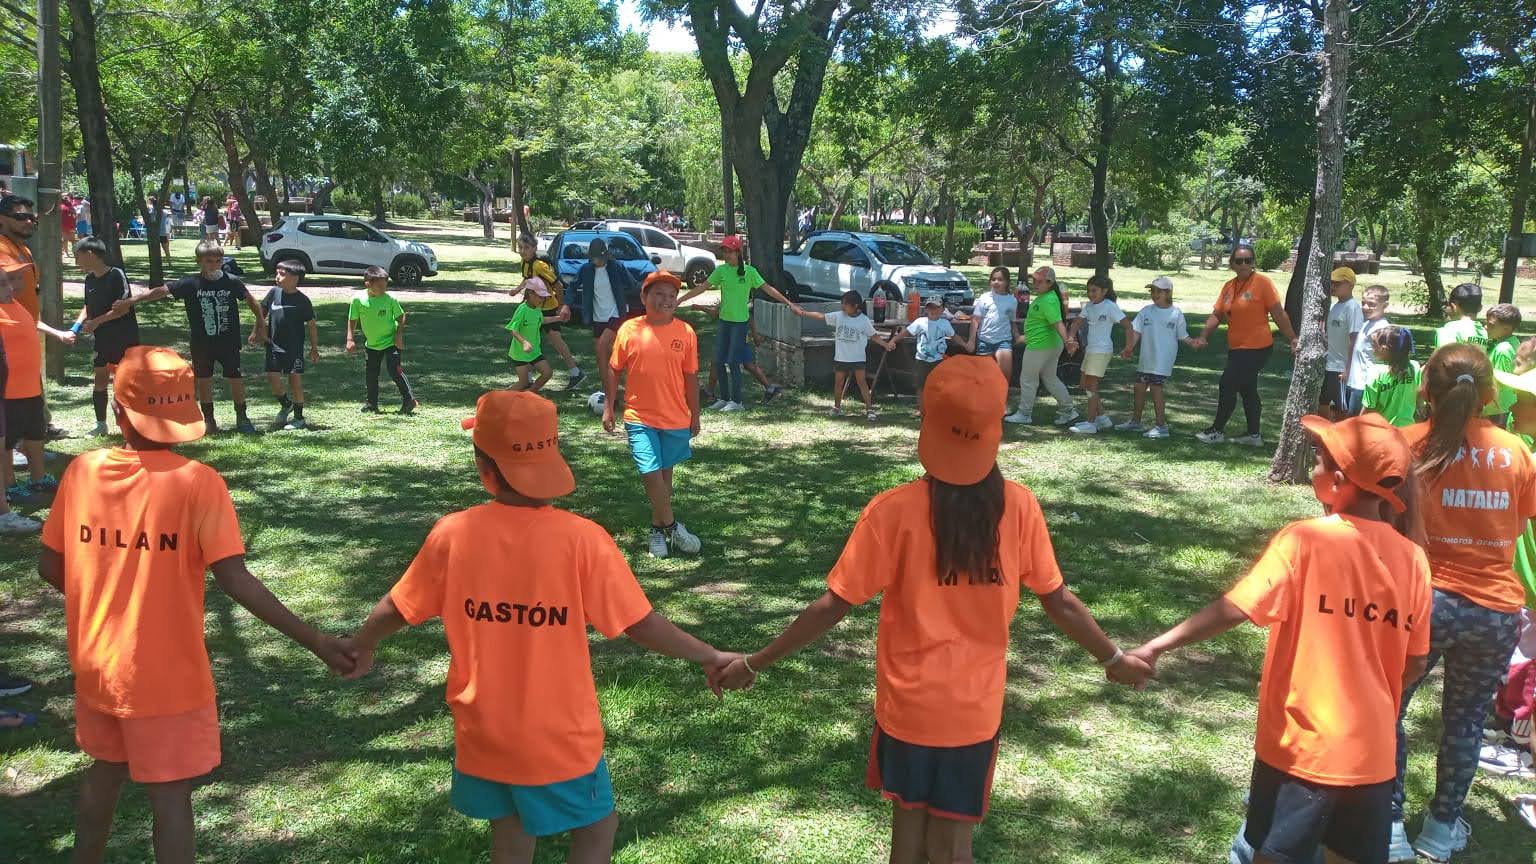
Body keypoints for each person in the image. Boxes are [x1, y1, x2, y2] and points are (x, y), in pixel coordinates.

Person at [712, 356, 1152, 863]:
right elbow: (1058, 600)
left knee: (909, 847)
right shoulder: (1020, 507)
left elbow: (832, 605)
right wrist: (1112, 658)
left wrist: (754, 662)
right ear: (994, 432)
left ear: (927, 422)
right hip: (972, 713)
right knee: (951, 851)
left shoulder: (893, 511)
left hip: (909, 711)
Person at [341, 389, 738, 864]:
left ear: (483, 467)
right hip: (556, 735)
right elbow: (640, 623)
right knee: (597, 826)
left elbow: (398, 606)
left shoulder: (452, 534)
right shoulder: (582, 540)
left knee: (510, 828)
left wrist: (360, 644)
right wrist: (710, 656)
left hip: (482, 729)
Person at [36, 345, 354, 864]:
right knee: (170, 795)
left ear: (118, 409)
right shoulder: (198, 484)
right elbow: (236, 580)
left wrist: (100, 601)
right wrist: (317, 641)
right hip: (167, 678)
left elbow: (50, 567)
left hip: (96, 665)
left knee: (105, 771)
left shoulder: (82, 472)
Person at [1131, 412, 1431, 864]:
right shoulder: (1414, 560)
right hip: (1372, 756)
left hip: (1299, 751)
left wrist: (1157, 645)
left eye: (1317, 458)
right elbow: (1415, 663)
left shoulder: (1304, 540)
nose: (1311, 466)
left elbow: (1235, 607)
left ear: (1337, 480)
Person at [1391, 344, 1536, 862]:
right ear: (1490, 394)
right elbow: (1518, 524)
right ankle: (1440, 826)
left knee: (1390, 710)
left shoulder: (1406, 445)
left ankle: (1388, 825)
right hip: (1495, 611)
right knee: (1467, 721)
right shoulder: (1516, 451)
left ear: (1424, 388)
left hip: (1421, 602)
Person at [114, 241, 267, 434]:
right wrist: (132, 300)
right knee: (204, 380)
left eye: (218, 261)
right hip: (202, 343)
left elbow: (251, 300)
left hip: (228, 341)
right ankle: (209, 420)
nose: (215, 265)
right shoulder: (190, 283)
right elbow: (161, 291)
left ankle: (242, 417)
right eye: (209, 261)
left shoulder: (231, 281)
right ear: (199, 262)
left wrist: (260, 323)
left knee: (235, 377)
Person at [603, 272, 703, 559]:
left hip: (674, 418)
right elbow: (614, 368)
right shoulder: (629, 329)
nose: (666, 300)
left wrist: (695, 415)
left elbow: (691, 377)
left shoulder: (686, 333)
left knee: (664, 480)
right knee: (649, 472)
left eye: (671, 296)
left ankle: (657, 530)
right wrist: (609, 405)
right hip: (639, 416)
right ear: (644, 298)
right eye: (659, 294)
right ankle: (672, 526)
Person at [1194, 245, 1298, 447]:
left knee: (1227, 384)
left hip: (1257, 347)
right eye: (1239, 261)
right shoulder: (1228, 286)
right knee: (1247, 388)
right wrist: (1204, 336)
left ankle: (1217, 430)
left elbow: (1278, 313)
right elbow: (1217, 314)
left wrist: (1292, 338)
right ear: (1232, 264)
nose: (1244, 264)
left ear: (1253, 263)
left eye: (1248, 260)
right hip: (1237, 347)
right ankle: (1253, 435)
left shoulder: (1262, 283)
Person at [677, 234, 793, 411]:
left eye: (729, 251)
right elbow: (701, 288)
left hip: (740, 324)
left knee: (733, 361)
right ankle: (724, 398)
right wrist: (680, 300)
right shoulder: (721, 271)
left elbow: (768, 289)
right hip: (724, 322)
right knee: (718, 360)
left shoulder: (750, 272)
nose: (726, 255)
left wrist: (790, 304)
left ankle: (737, 402)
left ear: (738, 252)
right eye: (724, 251)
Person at [1, 268, 76, 502]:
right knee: (7, 441)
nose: (11, 287)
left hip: (31, 387)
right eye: (4, 283)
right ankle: (10, 486)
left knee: (36, 433)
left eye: (12, 281)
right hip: (7, 391)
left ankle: (38, 479)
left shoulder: (17, 305)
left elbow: (33, 324)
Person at [1116, 277, 1201, 440]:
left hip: (1163, 360)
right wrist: (1129, 347)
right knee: (1139, 387)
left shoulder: (1176, 314)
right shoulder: (1146, 311)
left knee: (1156, 388)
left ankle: (1161, 426)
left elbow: (1183, 336)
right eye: (1152, 291)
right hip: (1146, 359)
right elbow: (1136, 332)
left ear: (1168, 292)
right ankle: (1136, 421)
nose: (1154, 294)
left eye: (1158, 291)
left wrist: (1193, 343)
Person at [793, 290, 897, 422]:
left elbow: (874, 335)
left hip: (858, 358)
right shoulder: (839, 316)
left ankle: (869, 409)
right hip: (841, 358)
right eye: (842, 304)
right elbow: (821, 316)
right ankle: (837, 407)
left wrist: (885, 345)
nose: (842, 307)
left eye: (845, 304)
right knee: (838, 383)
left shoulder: (863, 321)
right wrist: (803, 313)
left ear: (855, 306)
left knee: (862, 383)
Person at [72, 237, 140, 437]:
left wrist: (96, 322)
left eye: (78, 257)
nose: (76, 263)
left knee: (126, 381)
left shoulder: (116, 274)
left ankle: (132, 423)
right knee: (100, 378)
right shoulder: (89, 279)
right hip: (102, 339)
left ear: (90, 255)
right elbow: (88, 306)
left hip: (124, 337)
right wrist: (76, 326)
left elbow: (123, 308)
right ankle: (101, 425)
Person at [1005, 266, 1078, 426]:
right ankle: (1068, 410)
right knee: (1050, 378)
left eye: (1039, 281)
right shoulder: (1048, 297)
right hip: (1047, 345)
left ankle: (1024, 414)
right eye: (1034, 280)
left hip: (1040, 346)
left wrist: (1068, 342)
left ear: (1050, 283)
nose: (1035, 283)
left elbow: (1058, 323)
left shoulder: (1048, 300)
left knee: (1027, 379)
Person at [513, 233, 583, 390]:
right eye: (520, 248)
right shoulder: (524, 263)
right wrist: (519, 291)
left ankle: (575, 373)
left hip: (548, 307)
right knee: (531, 339)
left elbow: (557, 285)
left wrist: (561, 306)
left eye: (527, 248)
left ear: (534, 248)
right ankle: (529, 377)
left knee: (556, 341)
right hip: (535, 308)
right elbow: (527, 280)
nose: (523, 251)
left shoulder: (539, 265)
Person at [346, 266, 418, 415]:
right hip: (372, 344)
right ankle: (372, 403)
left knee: (395, 370)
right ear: (368, 284)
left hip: (391, 342)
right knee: (371, 374)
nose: (383, 289)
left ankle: (409, 400)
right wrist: (350, 338)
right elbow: (352, 319)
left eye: (385, 285)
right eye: (379, 286)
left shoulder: (389, 299)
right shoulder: (358, 300)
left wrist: (398, 336)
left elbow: (401, 316)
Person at [577, 238, 641, 400]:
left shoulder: (616, 267)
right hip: (598, 317)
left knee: (600, 347)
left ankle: (613, 393)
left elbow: (633, 285)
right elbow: (572, 286)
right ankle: (609, 391)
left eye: (598, 257)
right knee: (603, 356)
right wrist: (565, 305)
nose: (596, 261)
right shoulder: (586, 269)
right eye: (593, 258)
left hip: (616, 314)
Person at [1067, 274, 1132, 434]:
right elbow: (1076, 322)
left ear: (1104, 291)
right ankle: (1102, 418)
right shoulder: (1089, 306)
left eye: (1094, 290)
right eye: (1089, 290)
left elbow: (1128, 326)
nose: (1091, 294)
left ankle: (1090, 423)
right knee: (1085, 384)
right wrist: (1070, 337)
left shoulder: (1110, 306)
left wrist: (1128, 347)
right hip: (1091, 350)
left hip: (1102, 351)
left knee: (1091, 386)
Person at [262, 260, 320, 431]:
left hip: (294, 347)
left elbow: (311, 325)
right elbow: (262, 312)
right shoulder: (273, 293)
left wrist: (314, 348)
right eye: (277, 272)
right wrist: (256, 331)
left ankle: (299, 418)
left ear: (295, 278)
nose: (277, 277)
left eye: (282, 274)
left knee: (294, 380)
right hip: (273, 345)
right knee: (272, 378)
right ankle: (285, 404)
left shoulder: (302, 301)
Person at [901, 297, 969, 417]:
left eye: (936, 307)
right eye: (930, 307)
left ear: (942, 309)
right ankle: (922, 411)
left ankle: (935, 409)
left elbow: (953, 336)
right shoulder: (920, 322)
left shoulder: (944, 323)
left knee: (938, 386)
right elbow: (906, 332)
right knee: (920, 386)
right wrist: (894, 340)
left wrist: (965, 344)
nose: (933, 310)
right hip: (921, 360)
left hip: (938, 360)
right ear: (926, 309)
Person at [1322, 267, 1364, 418]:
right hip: (1328, 364)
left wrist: (1348, 369)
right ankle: (1323, 438)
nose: (1333, 287)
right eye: (1332, 283)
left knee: (1341, 408)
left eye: (1338, 283)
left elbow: (1354, 340)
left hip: (1341, 368)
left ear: (1350, 285)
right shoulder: (1334, 306)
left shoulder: (1352, 307)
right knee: (1323, 403)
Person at [1360, 326, 1420, 428]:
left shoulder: (1375, 373)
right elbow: (1419, 400)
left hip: (1383, 432)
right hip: (1407, 430)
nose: (1372, 349)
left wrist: (1357, 427)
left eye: (1374, 345)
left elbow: (1368, 409)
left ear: (1384, 349)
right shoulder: (1415, 368)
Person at [1346, 285, 1394, 411]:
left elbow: (1387, 358)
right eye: (1363, 303)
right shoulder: (1367, 323)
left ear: (1384, 305)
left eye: (1371, 304)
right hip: (1355, 380)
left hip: (1366, 384)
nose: (1365, 307)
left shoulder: (1382, 328)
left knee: (1357, 424)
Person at [969, 267, 1019, 384]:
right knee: (983, 377)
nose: (996, 282)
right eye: (993, 279)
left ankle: (1002, 400)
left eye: (1000, 279)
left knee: (1004, 375)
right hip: (984, 340)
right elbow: (975, 320)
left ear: (1007, 282)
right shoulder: (984, 298)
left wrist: (1017, 336)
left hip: (1003, 340)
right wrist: (971, 341)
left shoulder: (1012, 301)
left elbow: (1012, 322)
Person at [505, 276, 554, 393]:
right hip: (520, 354)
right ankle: (502, 397)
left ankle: (529, 395)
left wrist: (559, 318)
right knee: (523, 382)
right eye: (540, 296)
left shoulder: (537, 309)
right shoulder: (522, 309)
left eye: (543, 297)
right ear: (530, 294)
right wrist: (524, 342)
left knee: (547, 373)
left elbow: (541, 320)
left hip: (535, 351)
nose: (542, 299)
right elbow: (513, 329)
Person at [1485, 303, 1521, 427]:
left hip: (1497, 409)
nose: (1486, 327)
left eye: (1491, 325)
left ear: (1506, 328)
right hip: (1505, 406)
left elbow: (1499, 381)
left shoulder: (1503, 349)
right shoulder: (1514, 342)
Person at [1433, 283, 1487, 351]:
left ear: (1454, 307)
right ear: (1480, 308)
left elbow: (1443, 359)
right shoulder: (1484, 332)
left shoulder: (1448, 330)